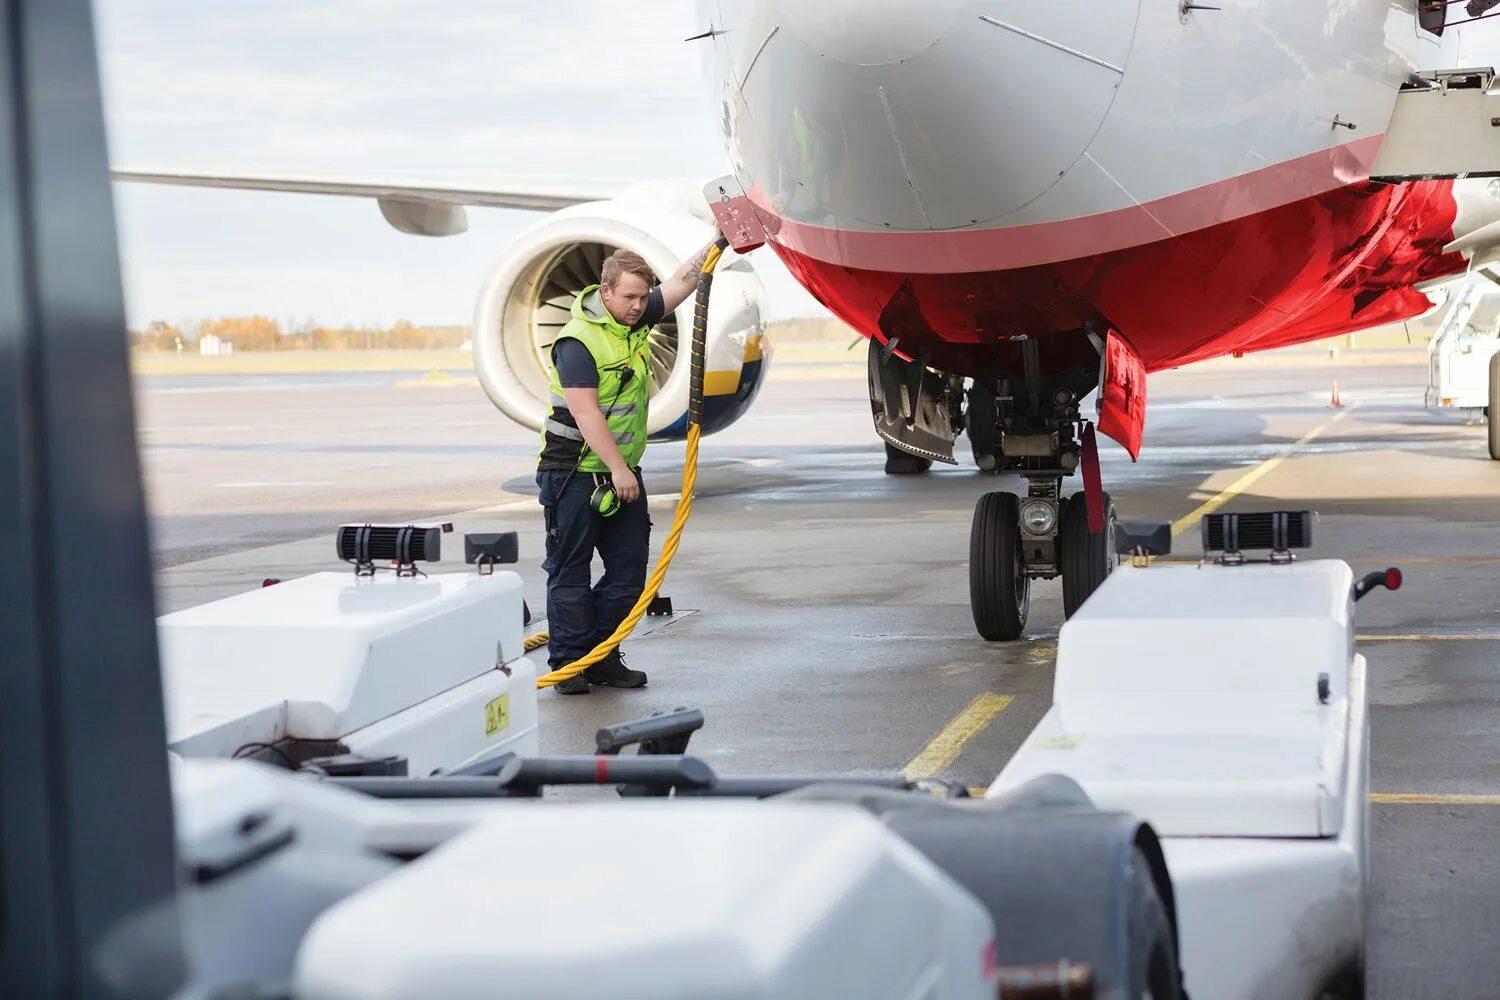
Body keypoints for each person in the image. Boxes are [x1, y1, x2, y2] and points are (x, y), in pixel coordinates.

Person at [537, 239, 719, 694]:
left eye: (643, 298)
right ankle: (570, 664)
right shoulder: (578, 341)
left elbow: (682, 281)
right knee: (571, 572)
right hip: (573, 475)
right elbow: (586, 415)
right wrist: (619, 470)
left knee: (630, 572)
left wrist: (720, 240)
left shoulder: (630, 321)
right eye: (630, 298)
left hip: (618, 471)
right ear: (606, 291)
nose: (639, 307)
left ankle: (601, 654)